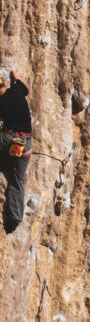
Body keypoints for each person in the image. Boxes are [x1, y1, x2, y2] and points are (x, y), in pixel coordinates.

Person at [0, 70, 32, 232]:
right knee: (18, 180)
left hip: (9, 140)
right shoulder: (17, 90)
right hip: (25, 144)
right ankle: (15, 217)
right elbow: (24, 89)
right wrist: (16, 78)